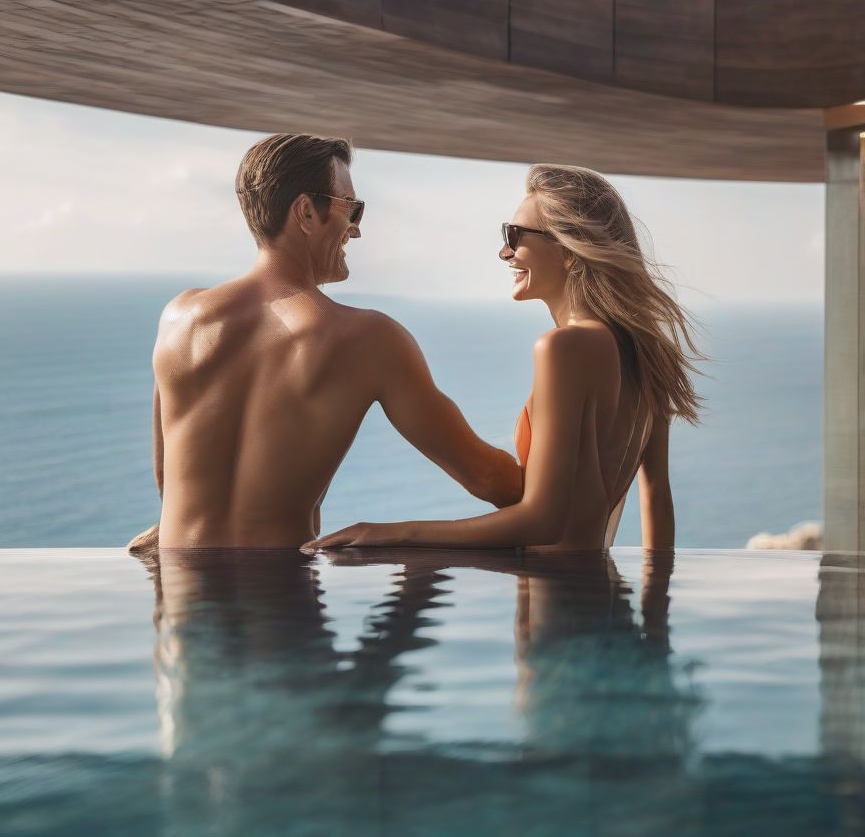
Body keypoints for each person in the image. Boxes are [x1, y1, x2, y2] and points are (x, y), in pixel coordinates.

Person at [127, 133, 521, 551]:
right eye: (352, 209)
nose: (356, 230)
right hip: (280, 604)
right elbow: (489, 479)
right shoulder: (368, 339)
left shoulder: (178, 318)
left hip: (181, 601)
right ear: (306, 214)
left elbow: (169, 482)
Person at [304, 163, 701, 553]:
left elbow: (541, 521)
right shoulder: (645, 349)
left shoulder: (563, 348)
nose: (503, 252)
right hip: (603, 594)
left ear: (568, 250)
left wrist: (394, 533)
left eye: (514, 235)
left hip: (555, 604)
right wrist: (653, 615)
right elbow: (657, 501)